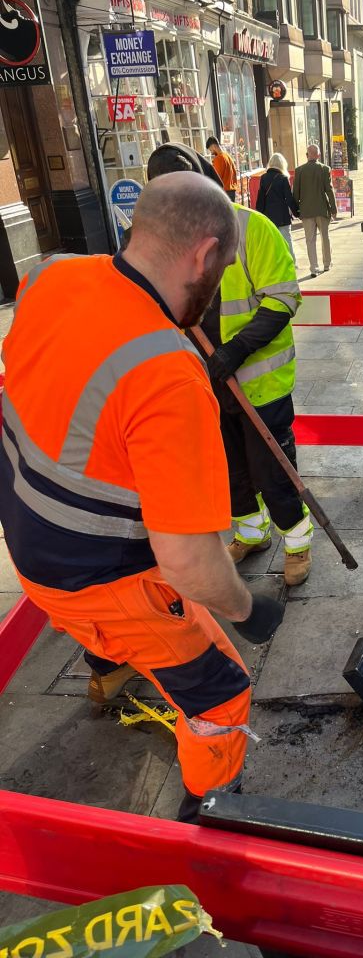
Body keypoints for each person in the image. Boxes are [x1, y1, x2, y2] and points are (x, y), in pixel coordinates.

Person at [0, 174, 285, 824]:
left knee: (141, 626)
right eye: (223, 269)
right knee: (221, 692)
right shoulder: (168, 373)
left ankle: (109, 672)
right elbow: (187, 564)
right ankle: (209, 817)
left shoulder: (52, 275)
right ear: (203, 254)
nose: (217, 292)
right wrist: (246, 608)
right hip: (87, 578)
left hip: (24, 527)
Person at [147, 144, 312, 590]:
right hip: (205, 385)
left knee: (271, 470)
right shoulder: (171, 242)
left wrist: (235, 351)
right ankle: (251, 533)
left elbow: (283, 297)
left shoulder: (250, 228)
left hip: (258, 382)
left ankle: (296, 541)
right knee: (229, 471)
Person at [293, 144, 337, 279]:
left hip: (306, 211)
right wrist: (334, 209)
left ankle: (314, 267)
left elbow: (296, 193)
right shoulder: (324, 169)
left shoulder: (299, 170)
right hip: (322, 209)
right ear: (318, 155)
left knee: (310, 240)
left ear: (307, 155)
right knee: (325, 237)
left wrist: (296, 211)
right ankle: (327, 264)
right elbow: (329, 190)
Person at [255, 152, 300, 262]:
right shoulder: (283, 178)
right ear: (282, 164)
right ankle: (291, 262)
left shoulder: (263, 178)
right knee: (287, 241)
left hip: (268, 216)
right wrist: (297, 212)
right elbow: (289, 198)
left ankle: (275, 264)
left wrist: (259, 214)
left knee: (271, 242)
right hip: (282, 216)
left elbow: (260, 198)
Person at [206, 135, 238, 201]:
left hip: (224, 192)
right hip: (232, 191)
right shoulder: (227, 156)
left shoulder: (218, 158)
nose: (211, 152)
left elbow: (216, 177)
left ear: (213, 146)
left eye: (210, 150)